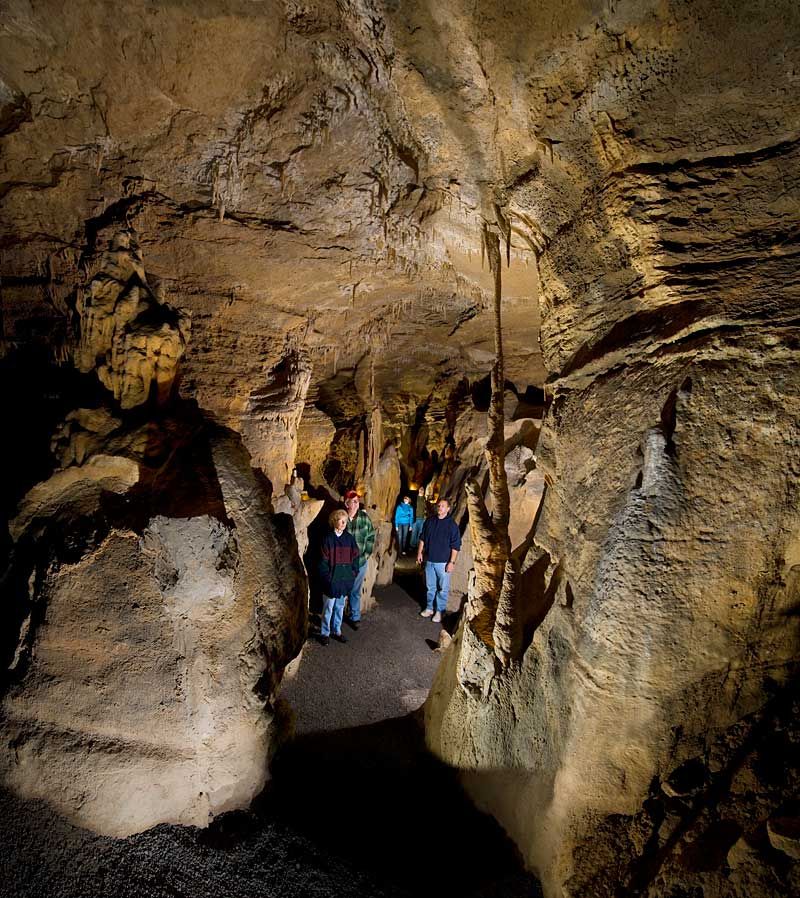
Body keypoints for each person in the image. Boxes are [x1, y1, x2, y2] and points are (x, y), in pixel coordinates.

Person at [319, 509, 360, 645]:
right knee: (328, 608)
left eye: (345, 521)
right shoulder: (328, 539)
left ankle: (337, 630)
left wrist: (352, 574)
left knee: (340, 607)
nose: (343, 523)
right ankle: (325, 632)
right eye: (340, 521)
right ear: (334, 521)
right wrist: (327, 577)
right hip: (331, 581)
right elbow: (323, 561)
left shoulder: (349, 539)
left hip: (344, 580)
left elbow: (355, 557)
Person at [416, 498, 461, 623]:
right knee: (430, 587)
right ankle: (430, 608)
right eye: (438, 505)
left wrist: (451, 562)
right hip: (430, 560)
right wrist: (420, 552)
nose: (439, 507)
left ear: (448, 509)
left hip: (443, 563)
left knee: (443, 588)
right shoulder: (430, 521)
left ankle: (439, 611)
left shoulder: (452, 525)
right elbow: (422, 538)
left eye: (442, 506)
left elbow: (455, 546)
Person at [343, 489, 375, 630]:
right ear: (346, 503)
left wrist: (366, 554)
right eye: (353, 501)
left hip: (360, 561)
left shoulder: (364, 518)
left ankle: (355, 616)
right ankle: (337, 618)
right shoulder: (341, 518)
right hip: (343, 563)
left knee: (355, 591)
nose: (356, 504)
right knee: (341, 590)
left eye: (357, 501)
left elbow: (371, 537)